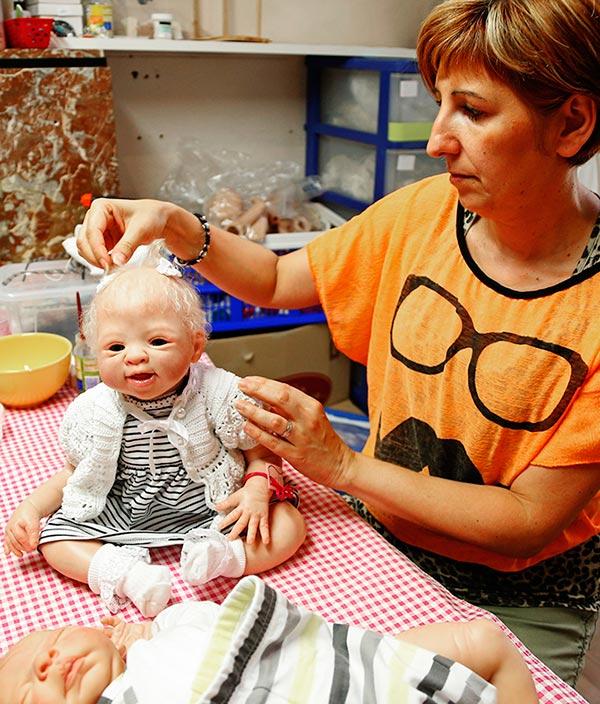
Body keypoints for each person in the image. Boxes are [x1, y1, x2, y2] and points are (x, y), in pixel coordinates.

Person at [72, 0, 599, 686]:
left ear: (573, 122)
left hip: (522, 595)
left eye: (472, 111)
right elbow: (277, 274)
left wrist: (342, 467)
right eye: (438, 104)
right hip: (383, 538)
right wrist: (175, 225)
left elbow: (528, 519)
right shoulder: (423, 213)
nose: (436, 139)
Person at [3, 249, 305, 617]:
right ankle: (129, 576)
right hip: (126, 508)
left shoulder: (219, 393)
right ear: (94, 353)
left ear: (195, 347)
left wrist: (257, 488)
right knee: (55, 542)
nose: (135, 356)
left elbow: (262, 453)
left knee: (289, 524)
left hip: (211, 504)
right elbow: (73, 472)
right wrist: (32, 509)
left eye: (157, 341)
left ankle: (222, 558)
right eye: (115, 347)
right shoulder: (94, 410)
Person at [0, 575, 538, 704]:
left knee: (483, 638)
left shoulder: (156, 642)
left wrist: (148, 632)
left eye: (53, 640)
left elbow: (213, 623)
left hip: (331, 666)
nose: (47, 663)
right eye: (28, 693)